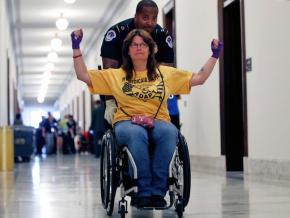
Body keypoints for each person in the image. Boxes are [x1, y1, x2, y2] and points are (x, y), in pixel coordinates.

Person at [71, 28, 222, 208]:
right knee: (137, 135)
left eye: (143, 44)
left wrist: (215, 55)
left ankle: (157, 192)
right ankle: (142, 191)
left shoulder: (165, 73)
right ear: (127, 50)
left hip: (159, 120)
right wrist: (76, 47)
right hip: (127, 121)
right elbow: (83, 75)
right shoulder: (116, 75)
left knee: (169, 133)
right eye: (134, 45)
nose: (139, 48)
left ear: (151, 49)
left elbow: (200, 77)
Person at [100, 0, 176, 126]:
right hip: (121, 91)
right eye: (145, 18)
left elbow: (167, 73)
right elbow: (108, 72)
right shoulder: (117, 33)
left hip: (151, 92)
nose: (150, 23)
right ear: (136, 16)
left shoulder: (162, 36)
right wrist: (110, 102)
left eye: (154, 18)